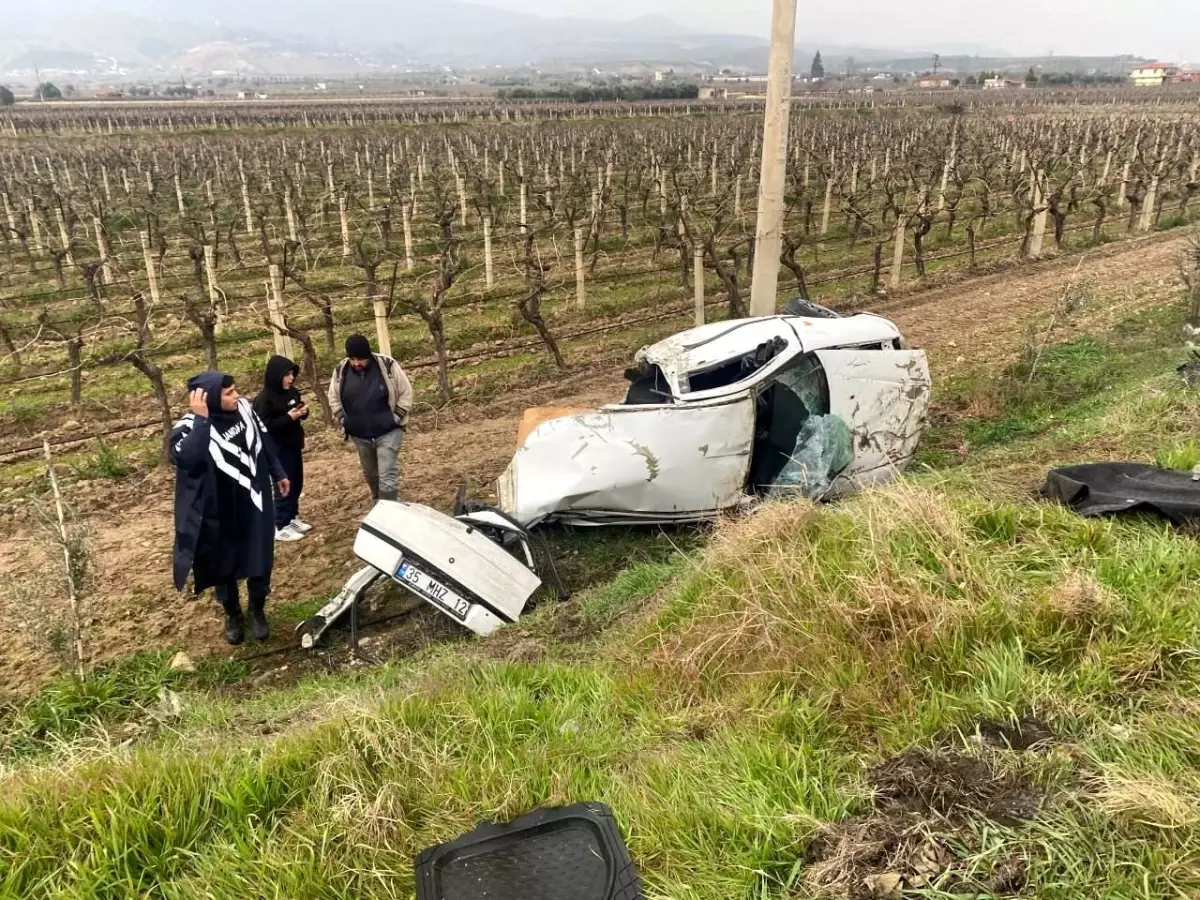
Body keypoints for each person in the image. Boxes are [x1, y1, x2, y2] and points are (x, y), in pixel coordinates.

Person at [169, 370, 290, 645]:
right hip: (219, 510)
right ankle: (232, 613)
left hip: (255, 500)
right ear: (209, 398)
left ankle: (257, 610)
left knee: (260, 557)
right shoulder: (188, 427)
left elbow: (263, 441)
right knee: (225, 563)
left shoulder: (246, 410)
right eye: (228, 393)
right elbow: (187, 458)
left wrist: (278, 472)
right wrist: (201, 420)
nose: (236, 396)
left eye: (235, 390)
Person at [328, 334, 413, 503]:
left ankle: (389, 508)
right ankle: (377, 502)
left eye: (360, 359)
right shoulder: (340, 371)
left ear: (368, 355)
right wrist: (344, 420)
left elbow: (406, 392)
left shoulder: (387, 365)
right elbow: (333, 397)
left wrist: (396, 418)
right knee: (370, 474)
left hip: (388, 431)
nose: (356, 363)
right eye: (352, 359)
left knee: (387, 473)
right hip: (360, 435)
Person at [253, 355, 312, 542]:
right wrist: (288, 418)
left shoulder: (292, 392)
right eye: (287, 375)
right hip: (277, 450)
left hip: (293, 445)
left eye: (292, 374)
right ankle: (280, 524)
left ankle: (292, 517)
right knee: (283, 486)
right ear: (276, 376)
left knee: (297, 482)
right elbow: (264, 426)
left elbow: (296, 411)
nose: (291, 378)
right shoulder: (264, 400)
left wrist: (303, 413)